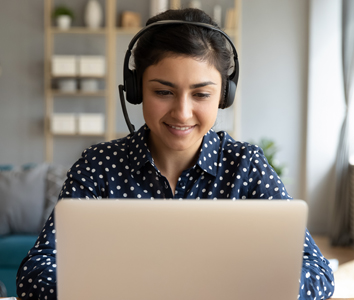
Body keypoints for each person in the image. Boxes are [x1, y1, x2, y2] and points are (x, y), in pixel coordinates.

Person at [16, 8, 335, 300]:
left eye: (201, 94)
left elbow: (318, 274)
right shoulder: (99, 166)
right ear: (136, 89)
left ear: (224, 95)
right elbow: (35, 274)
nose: (182, 113)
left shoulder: (246, 167)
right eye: (163, 92)